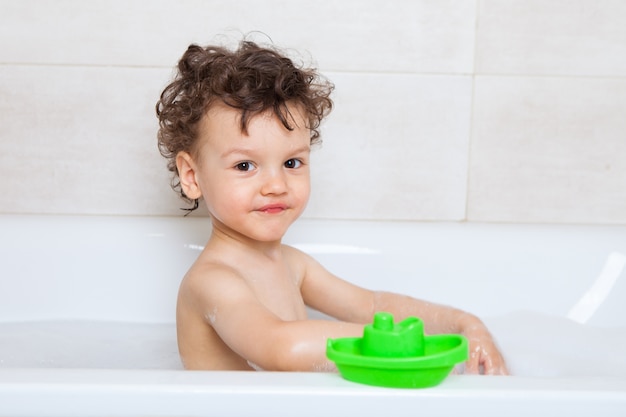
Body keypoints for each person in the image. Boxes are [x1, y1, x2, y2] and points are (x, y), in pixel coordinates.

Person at [156, 39, 508, 375]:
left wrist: (464, 323)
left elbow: (373, 307)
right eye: (245, 166)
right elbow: (280, 348)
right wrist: (390, 342)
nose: (276, 185)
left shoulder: (293, 266)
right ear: (192, 176)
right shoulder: (212, 281)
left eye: (292, 163)